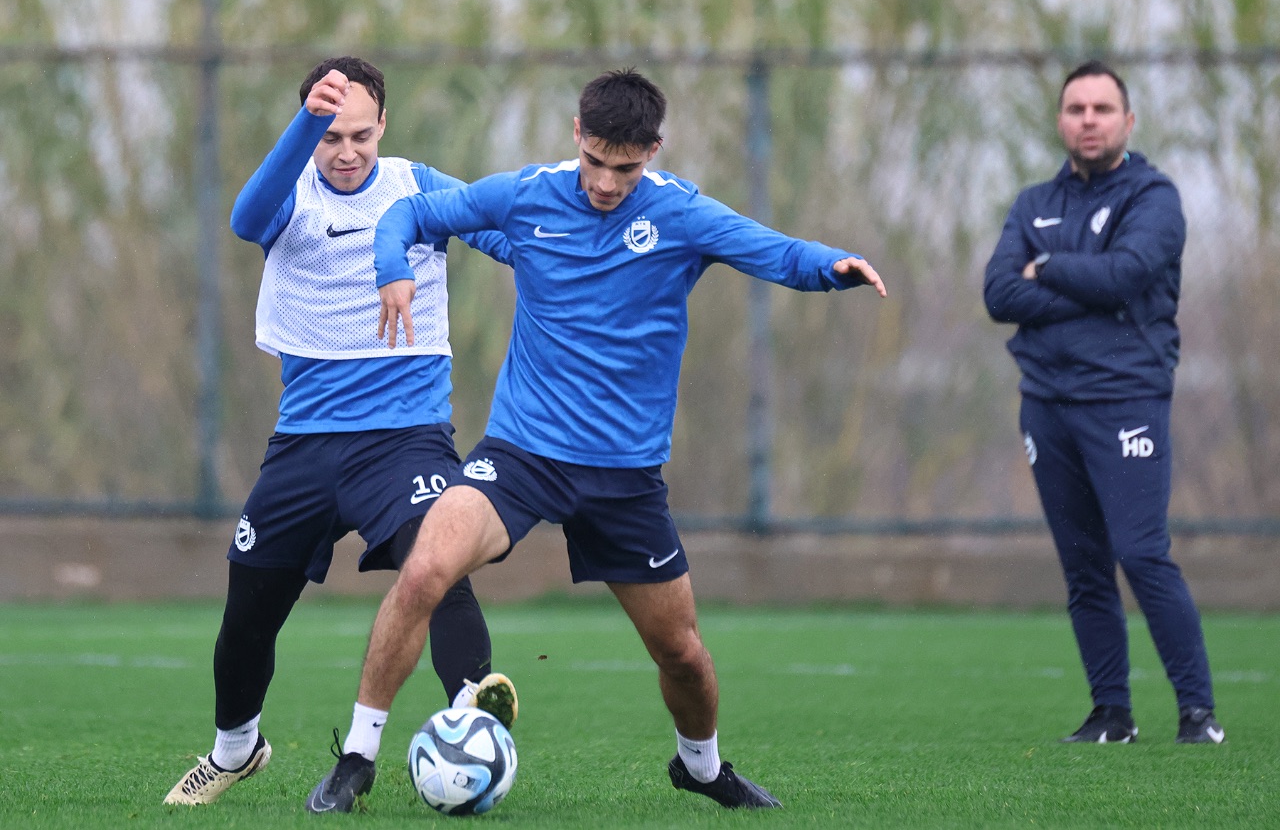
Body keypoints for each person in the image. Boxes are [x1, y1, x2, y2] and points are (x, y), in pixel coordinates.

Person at [307, 68, 886, 811]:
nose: (608, 182)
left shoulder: (680, 214)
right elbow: (408, 214)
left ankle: (701, 766)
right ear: (577, 135)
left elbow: (772, 251)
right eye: (596, 161)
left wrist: (831, 267)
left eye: (627, 167)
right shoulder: (525, 194)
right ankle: (357, 758)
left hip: (624, 477)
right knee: (423, 572)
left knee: (682, 652)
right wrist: (392, 269)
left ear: (653, 152)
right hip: (522, 455)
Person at [164, 57, 518, 810]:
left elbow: (503, 236)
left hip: (406, 438)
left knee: (437, 565)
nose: (347, 151)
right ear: (310, 132)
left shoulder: (419, 187)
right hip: (304, 442)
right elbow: (244, 221)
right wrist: (305, 125)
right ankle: (235, 750)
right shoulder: (288, 192)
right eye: (330, 136)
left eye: (361, 134)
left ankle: (471, 716)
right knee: (247, 615)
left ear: (384, 125)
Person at [983, 60, 1222, 745]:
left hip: (1125, 400)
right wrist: (1085, 288)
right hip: (1046, 404)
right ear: (1061, 120)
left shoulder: (1154, 197)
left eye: (1102, 108)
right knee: (1084, 567)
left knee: (1142, 553)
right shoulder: (1033, 202)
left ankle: (1198, 713)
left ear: (1128, 121)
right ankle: (1111, 713)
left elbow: (1126, 275)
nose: (1089, 120)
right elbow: (1000, 293)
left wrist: (1050, 268)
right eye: (1076, 108)